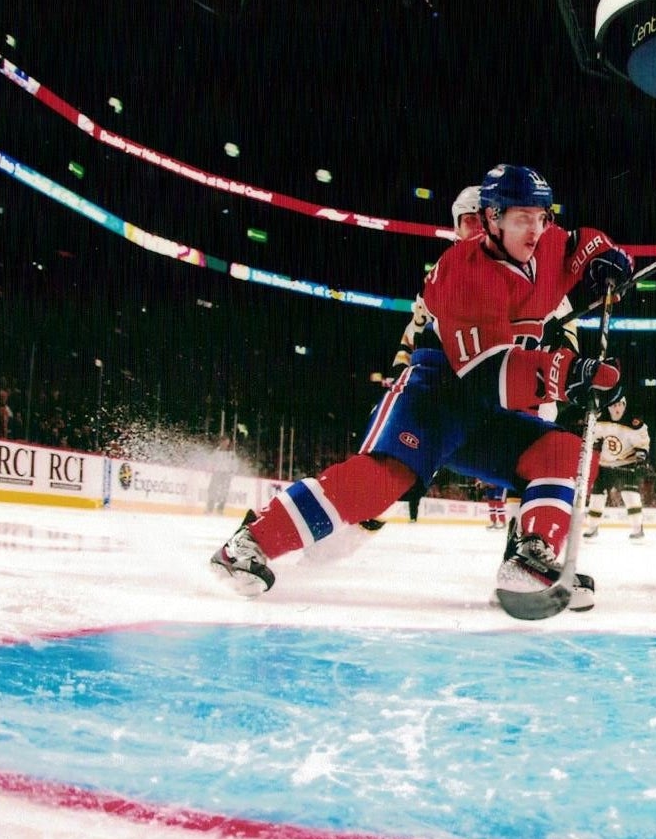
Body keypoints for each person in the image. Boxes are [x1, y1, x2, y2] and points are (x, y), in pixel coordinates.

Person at [208, 164, 633, 620]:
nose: (535, 229)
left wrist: (608, 257)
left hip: (489, 409)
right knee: (381, 484)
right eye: (521, 218)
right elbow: (488, 375)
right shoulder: (462, 275)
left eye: (541, 217)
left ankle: (530, 557)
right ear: (493, 218)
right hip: (436, 397)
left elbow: (580, 243)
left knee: (567, 454)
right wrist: (569, 374)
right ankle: (248, 545)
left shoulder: (544, 242)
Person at [582, 395, 653, 541]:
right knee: (597, 497)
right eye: (614, 405)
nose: (617, 408)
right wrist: (595, 449)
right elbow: (593, 439)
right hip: (604, 464)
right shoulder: (600, 419)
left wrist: (641, 461)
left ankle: (637, 529)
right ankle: (592, 528)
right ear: (608, 406)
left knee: (630, 495)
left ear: (625, 405)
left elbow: (642, 444)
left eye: (620, 405)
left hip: (626, 463)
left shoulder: (634, 423)